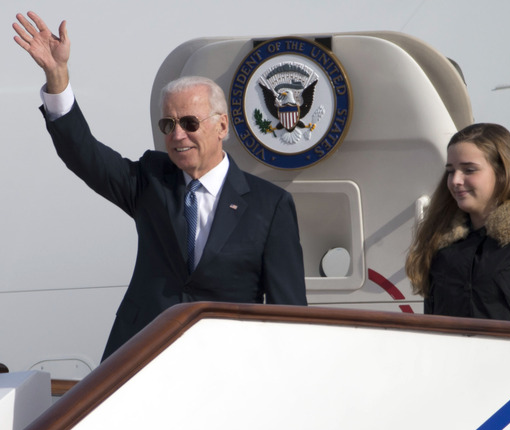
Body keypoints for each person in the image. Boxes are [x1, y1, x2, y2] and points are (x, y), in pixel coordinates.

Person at [13, 12, 307, 360]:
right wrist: (57, 77)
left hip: (226, 366)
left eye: (189, 123)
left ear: (222, 126)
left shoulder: (269, 206)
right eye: (169, 124)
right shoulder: (151, 181)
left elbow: (289, 314)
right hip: (141, 357)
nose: (177, 134)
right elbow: (84, 155)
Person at [405, 123, 510, 325]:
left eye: (469, 170)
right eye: (451, 171)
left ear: (502, 173)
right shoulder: (441, 242)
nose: (455, 181)